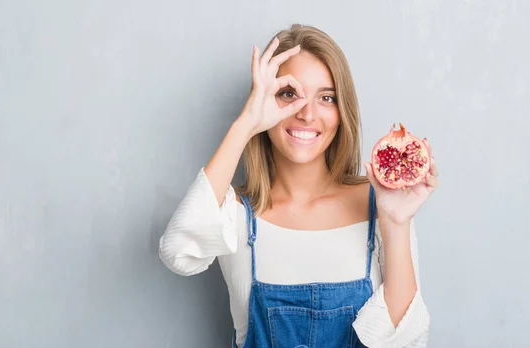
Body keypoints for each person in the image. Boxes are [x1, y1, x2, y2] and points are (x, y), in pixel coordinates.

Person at [158, 23, 438, 348]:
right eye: (289, 94)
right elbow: (177, 252)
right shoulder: (235, 215)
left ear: (342, 111)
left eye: (327, 97)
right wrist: (246, 123)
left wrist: (395, 222)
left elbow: (408, 341)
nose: (307, 113)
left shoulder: (383, 207)